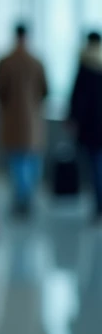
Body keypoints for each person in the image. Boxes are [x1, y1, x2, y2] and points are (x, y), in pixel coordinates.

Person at [0, 23, 49, 216]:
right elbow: (45, 90)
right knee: (31, 161)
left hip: (11, 120)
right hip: (33, 121)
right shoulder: (36, 62)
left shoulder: (5, 62)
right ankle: (27, 197)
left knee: (16, 162)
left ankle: (21, 198)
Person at [70, 31, 102, 222]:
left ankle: (99, 207)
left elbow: (78, 98)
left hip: (91, 127)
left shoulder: (85, 64)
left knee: (96, 167)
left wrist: (74, 119)